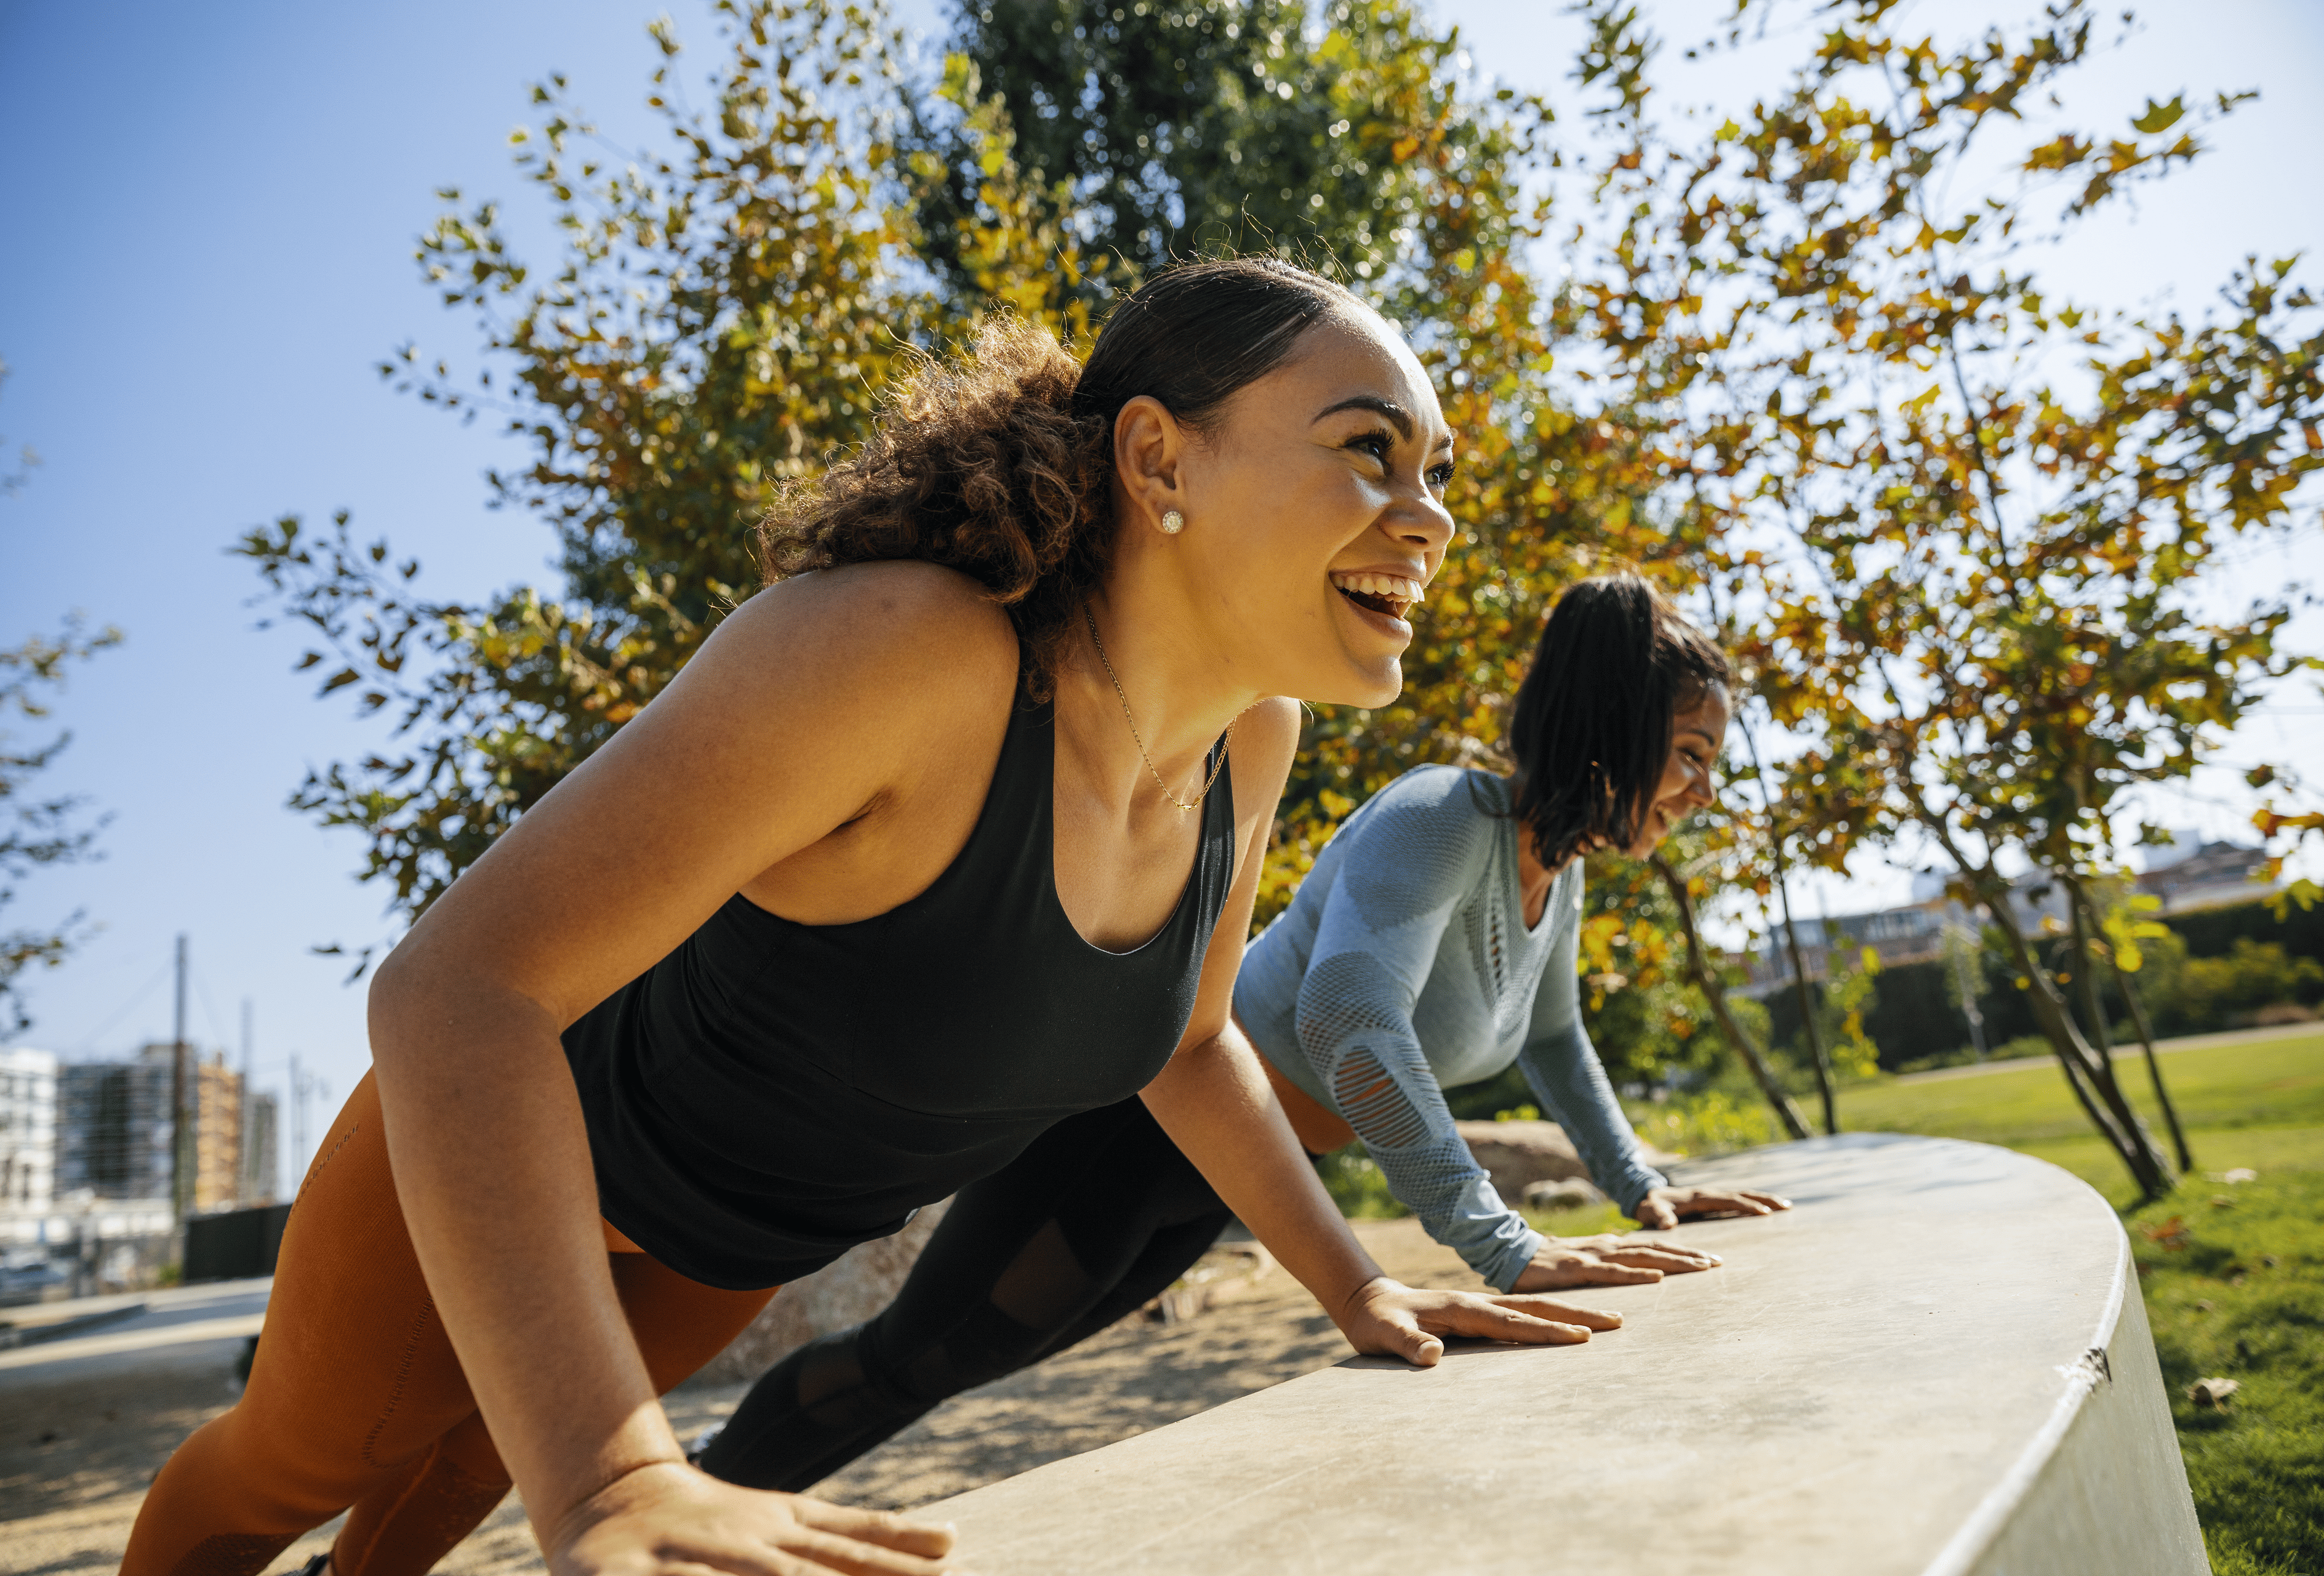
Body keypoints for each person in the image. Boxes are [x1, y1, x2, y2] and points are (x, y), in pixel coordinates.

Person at [122, 259, 1629, 1576]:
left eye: (1440, 472)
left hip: (731, 1238)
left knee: (464, 1470)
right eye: (1373, 452)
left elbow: (1186, 1040)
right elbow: (456, 991)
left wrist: (1362, 1284)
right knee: (293, 1468)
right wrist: (611, 1469)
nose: (1429, 518)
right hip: (513, 1154)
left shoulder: (1252, 740)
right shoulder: (909, 652)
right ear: (1160, 461)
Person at [695, 570, 1792, 1495]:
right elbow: (1350, 1021)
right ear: (1617, 726)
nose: (1703, 788)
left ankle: (713, 1504)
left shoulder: (1556, 877)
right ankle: (696, 1492)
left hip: (1234, 1174)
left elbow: (1556, 1042)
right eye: (1691, 752)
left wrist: (1643, 1183)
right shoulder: (1445, 819)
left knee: (958, 1361)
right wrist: (1503, 1245)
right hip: (1133, 1134)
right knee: (923, 1357)